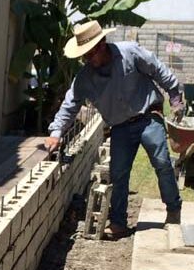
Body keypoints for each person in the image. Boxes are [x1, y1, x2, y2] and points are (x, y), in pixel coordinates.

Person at [44, 20, 184, 239]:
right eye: (84, 56)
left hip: (147, 116)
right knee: (118, 173)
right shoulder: (85, 78)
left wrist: (175, 96)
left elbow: (158, 69)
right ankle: (118, 222)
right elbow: (69, 105)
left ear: (102, 44)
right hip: (120, 126)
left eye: (90, 54)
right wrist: (56, 133)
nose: (87, 60)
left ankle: (173, 210)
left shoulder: (130, 53)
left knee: (162, 162)